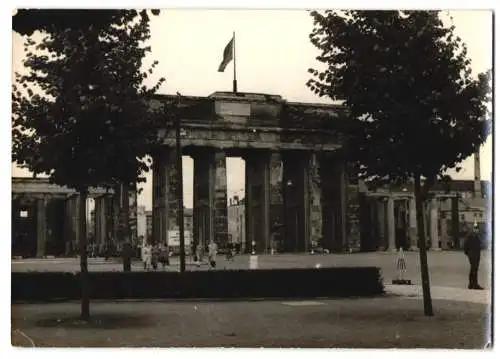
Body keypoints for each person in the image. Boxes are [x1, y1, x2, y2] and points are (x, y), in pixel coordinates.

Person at [464, 224, 483, 290]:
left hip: (476, 255)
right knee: (474, 269)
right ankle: (475, 284)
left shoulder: (476, 236)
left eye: (477, 228)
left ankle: (471, 284)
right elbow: (465, 245)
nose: (477, 230)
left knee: (473, 269)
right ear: (473, 229)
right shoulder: (470, 235)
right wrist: (469, 254)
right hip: (472, 255)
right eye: (475, 228)